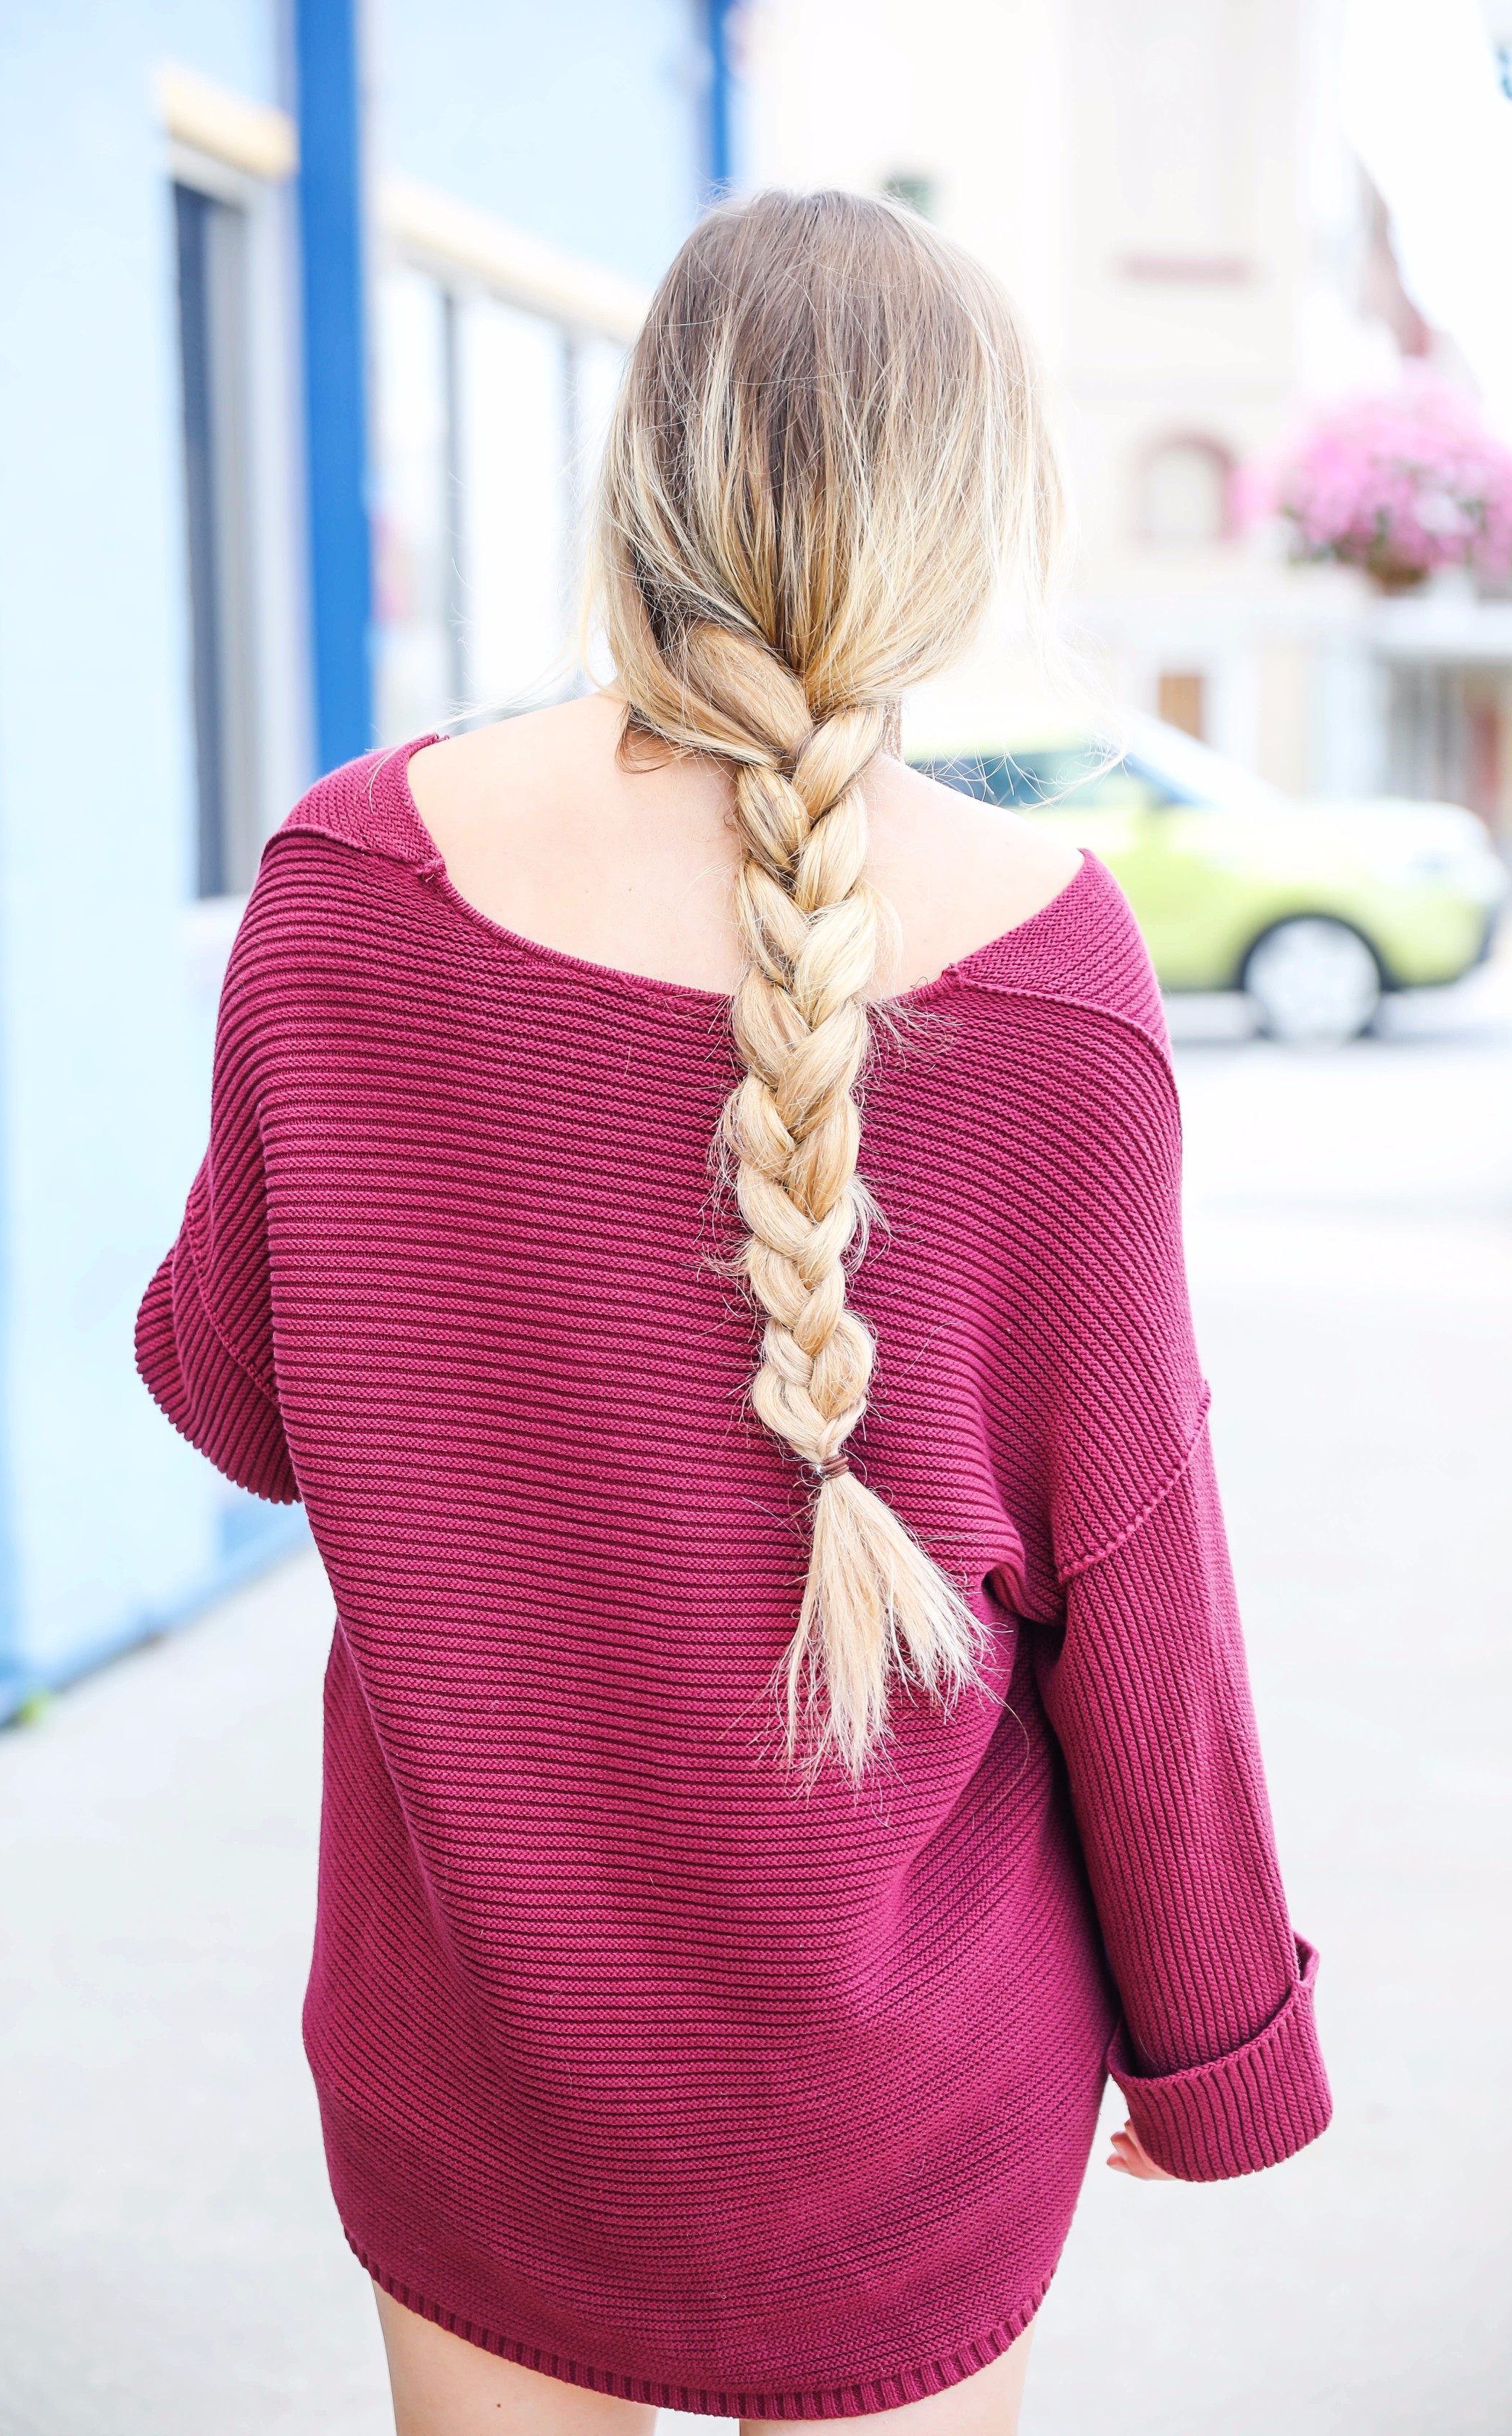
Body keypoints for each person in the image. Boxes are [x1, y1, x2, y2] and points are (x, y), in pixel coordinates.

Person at [136, 191, 1330, 2436]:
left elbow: (234, 1388)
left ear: (638, 491)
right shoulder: (1059, 982)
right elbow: (1140, 1599)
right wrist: (1216, 2040)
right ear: (965, 532)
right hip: (903, 2101)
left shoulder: (339, 887)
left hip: (476, 2052)